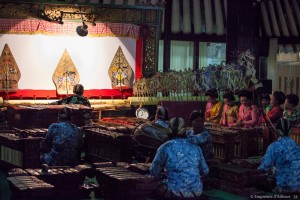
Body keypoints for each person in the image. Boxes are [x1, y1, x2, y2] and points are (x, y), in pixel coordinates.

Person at [150, 117, 209, 199]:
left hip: (175, 193)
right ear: (185, 131)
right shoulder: (196, 147)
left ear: (169, 131)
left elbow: (154, 172)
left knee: (153, 187)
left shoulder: (165, 147)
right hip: (197, 192)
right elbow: (205, 171)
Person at [258, 118, 300, 193]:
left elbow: (264, 167)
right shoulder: (297, 146)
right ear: (290, 131)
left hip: (283, 186)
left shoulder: (274, 147)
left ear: (277, 130)